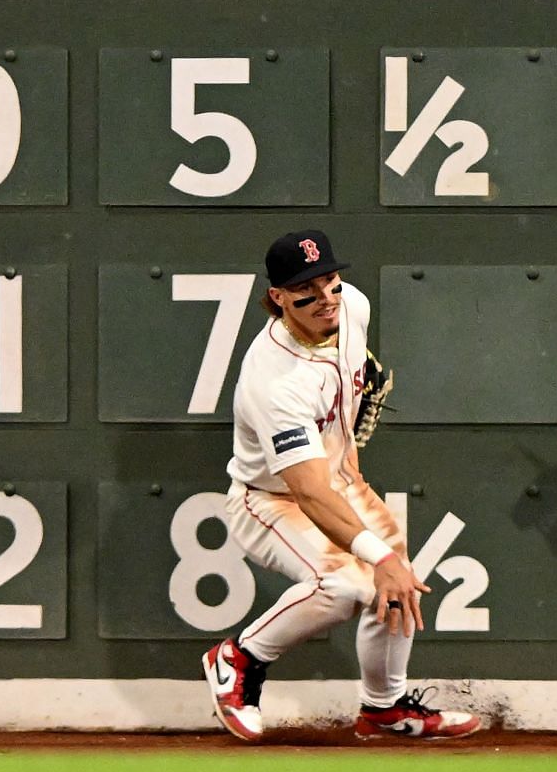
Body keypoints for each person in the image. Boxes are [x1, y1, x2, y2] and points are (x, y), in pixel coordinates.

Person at [202, 229, 484, 743]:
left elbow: (349, 364)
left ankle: (384, 710)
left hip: (339, 478)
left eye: (330, 281)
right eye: (306, 291)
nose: (325, 299)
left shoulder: (353, 306)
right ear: (277, 298)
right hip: (271, 500)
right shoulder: (275, 382)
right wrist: (378, 558)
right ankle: (239, 658)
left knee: (395, 585)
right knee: (344, 587)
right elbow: (308, 492)